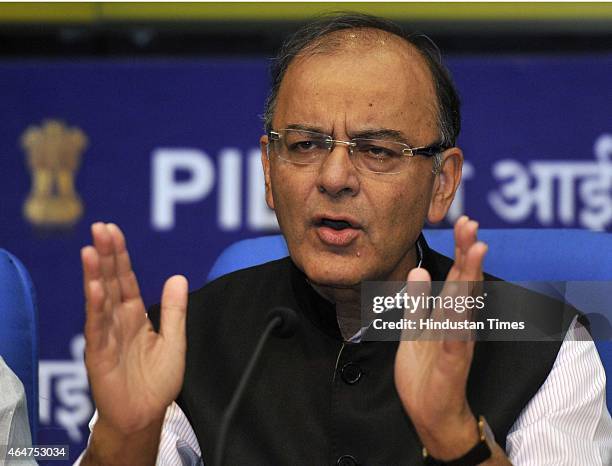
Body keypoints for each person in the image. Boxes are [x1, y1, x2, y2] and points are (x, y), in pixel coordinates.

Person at [76, 13, 612, 466]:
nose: (334, 178)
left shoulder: (542, 341)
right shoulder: (183, 341)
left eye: (377, 150)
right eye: (306, 144)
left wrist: (454, 437)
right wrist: (126, 438)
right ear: (268, 170)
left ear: (442, 183)